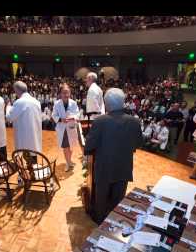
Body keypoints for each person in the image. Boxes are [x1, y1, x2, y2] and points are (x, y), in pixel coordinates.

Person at [84, 88, 143, 224]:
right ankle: (115, 222)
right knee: (118, 198)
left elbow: (88, 147)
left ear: (107, 104)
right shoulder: (134, 121)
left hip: (104, 167)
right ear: (123, 103)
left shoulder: (99, 121)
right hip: (123, 166)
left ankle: (100, 221)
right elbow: (139, 143)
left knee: (101, 199)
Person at [6, 80, 42, 153]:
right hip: (34, 134)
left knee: (24, 154)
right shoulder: (36, 101)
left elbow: (9, 117)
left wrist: (8, 107)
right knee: (33, 153)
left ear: (17, 90)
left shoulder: (19, 102)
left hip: (24, 136)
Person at [52, 83, 80, 172]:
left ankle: (69, 160)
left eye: (67, 92)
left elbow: (77, 113)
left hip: (71, 127)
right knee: (65, 147)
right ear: (60, 94)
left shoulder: (73, 103)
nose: (66, 95)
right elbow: (53, 115)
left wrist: (73, 117)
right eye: (64, 93)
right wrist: (61, 119)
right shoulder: (57, 104)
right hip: (62, 128)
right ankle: (68, 163)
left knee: (71, 145)